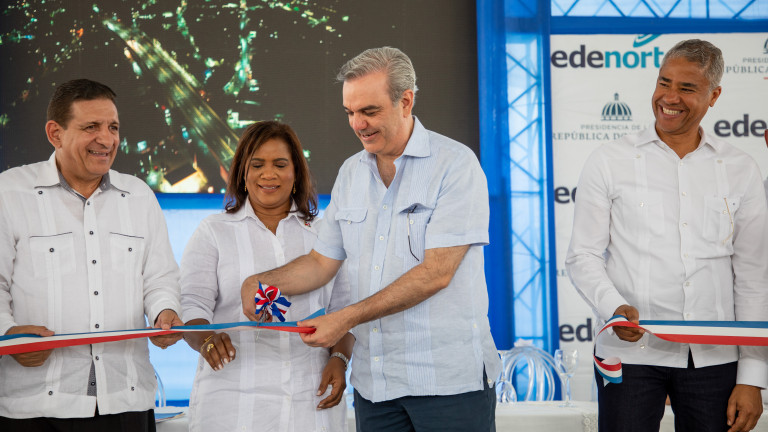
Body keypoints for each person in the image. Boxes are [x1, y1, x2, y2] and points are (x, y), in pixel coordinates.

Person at [241, 47, 501, 431]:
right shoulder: (351, 173)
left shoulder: (455, 165)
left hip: (447, 386)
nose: (357, 124)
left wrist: (343, 319)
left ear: (406, 101)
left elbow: (436, 273)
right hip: (375, 388)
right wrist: (261, 281)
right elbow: (320, 262)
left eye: (369, 111)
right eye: (349, 112)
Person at [566, 39, 768, 432]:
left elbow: (753, 277)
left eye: (686, 88)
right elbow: (582, 256)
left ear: (714, 96)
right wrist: (612, 306)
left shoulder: (740, 168)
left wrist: (752, 376)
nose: (669, 98)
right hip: (629, 355)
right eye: (664, 83)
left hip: (715, 360)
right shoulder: (608, 160)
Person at [0, 79, 183, 430]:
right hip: (36, 405)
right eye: (91, 127)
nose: (107, 139)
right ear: (55, 134)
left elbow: (160, 277)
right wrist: (9, 334)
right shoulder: (10, 193)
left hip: (127, 400)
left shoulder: (139, 196)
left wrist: (165, 311)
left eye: (113, 127)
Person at [180, 121, 353, 432]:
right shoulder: (214, 231)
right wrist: (205, 339)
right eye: (257, 165)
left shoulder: (326, 236)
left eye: (280, 164)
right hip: (232, 407)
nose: (268, 174)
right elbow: (191, 305)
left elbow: (345, 311)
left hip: (311, 402)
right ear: (242, 173)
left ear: (296, 172)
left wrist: (339, 358)